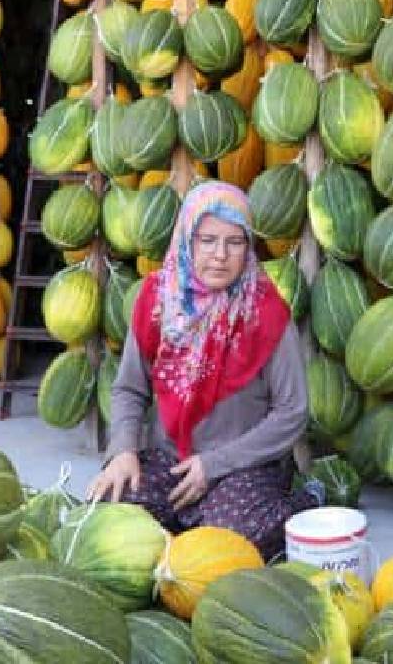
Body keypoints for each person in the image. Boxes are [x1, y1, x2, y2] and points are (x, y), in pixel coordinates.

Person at [86, 180, 322, 560]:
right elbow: (129, 389)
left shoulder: (266, 312)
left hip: (243, 465)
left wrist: (214, 464)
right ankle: (182, 531)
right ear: (186, 240)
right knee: (107, 513)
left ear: (248, 248)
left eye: (234, 242)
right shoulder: (156, 301)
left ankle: (303, 503)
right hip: (170, 460)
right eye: (207, 240)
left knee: (231, 540)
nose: (220, 255)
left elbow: (292, 412)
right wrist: (123, 451)